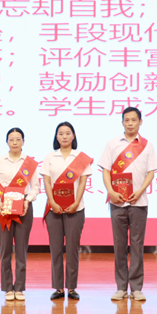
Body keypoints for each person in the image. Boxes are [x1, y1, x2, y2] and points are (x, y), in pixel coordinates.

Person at [98, 107, 157, 302]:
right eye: (127, 120)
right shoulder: (113, 144)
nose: (130, 123)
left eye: (134, 120)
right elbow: (106, 170)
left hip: (139, 202)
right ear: (122, 122)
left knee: (137, 246)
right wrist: (111, 191)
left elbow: (151, 172)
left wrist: (140, 191)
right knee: (119, 245)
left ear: (140, 122)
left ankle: (137, 288)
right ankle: (121, 287)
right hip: (117, 202)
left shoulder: (147, 145)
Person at [40, 121, 93, 301]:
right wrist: (52, 202)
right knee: (56, 249)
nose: (64, 136)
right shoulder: (50, 157)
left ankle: (71, 288)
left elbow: (83, 182)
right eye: (61, 133)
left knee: (72, 249)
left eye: (67, 133)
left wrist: (76, 202)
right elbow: (47, 182)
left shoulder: (81, 158)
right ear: (56, 136)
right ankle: (58, 288)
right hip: (53, 209)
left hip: (76, 209)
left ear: (73, 136)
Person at [0, 127, 39, 301]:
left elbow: (35, 187)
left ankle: (20, 288)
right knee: (5, 249)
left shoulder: (30, 163)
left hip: (23, 207)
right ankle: (8, 288)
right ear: (7, 142)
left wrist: (27, 200)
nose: (15, 142)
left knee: (22, 249)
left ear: (23, 141)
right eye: (11, 139)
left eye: (18, 139)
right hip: (3, 207)